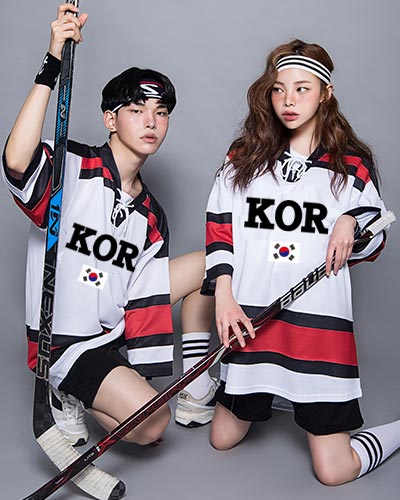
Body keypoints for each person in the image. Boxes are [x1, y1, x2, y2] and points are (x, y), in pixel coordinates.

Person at [2, 3, 216, 448]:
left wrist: (139, 367)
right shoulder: (73, 165)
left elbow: (142, 297)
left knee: (212, 263)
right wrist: (52, 62)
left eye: (161, 112)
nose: (151, 122)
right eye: (136, 110)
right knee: (153, 423)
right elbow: (18, 162)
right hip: (63, 341)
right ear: (110, 119)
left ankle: (197, 388)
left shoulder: (152, 214)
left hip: (110, 336)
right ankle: (63, 388)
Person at [201, 38, 400, 485]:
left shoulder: (351, 166)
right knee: (222, 439)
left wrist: (352, 219)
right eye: (279, 89)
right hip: (253, 322)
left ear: (326, 94)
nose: (288, 101)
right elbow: (220, 228)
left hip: (317, 332)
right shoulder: (243, 157)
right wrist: (225, 296)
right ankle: (272, 389)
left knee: (334, 471)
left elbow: (376, 240)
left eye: (302, 89)